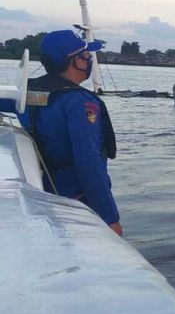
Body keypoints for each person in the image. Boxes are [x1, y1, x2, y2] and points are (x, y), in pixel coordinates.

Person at [21, 30, 122, 236]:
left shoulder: (27, 92)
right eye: (85, 55)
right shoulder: (79, 102)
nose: (89, 60)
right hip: (74, 202)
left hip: (42, 196)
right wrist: (110, 218)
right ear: (76, 61)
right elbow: (89, 161)